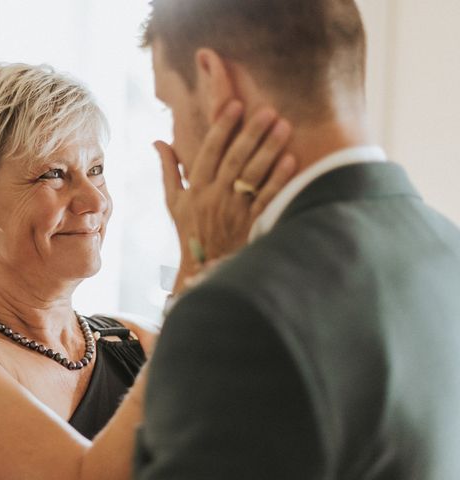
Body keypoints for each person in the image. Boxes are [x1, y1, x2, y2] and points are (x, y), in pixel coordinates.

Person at [0, 62, 293, 479]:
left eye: (95, 170)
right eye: (54, 174)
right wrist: (196, 280)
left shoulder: (139, 343)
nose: (95, 201)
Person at [134, 1, 460, 479]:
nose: (174, 146)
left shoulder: (233, 313)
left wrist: (198, 274)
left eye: (170, 107)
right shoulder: (444, 247)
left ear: (213, 80)